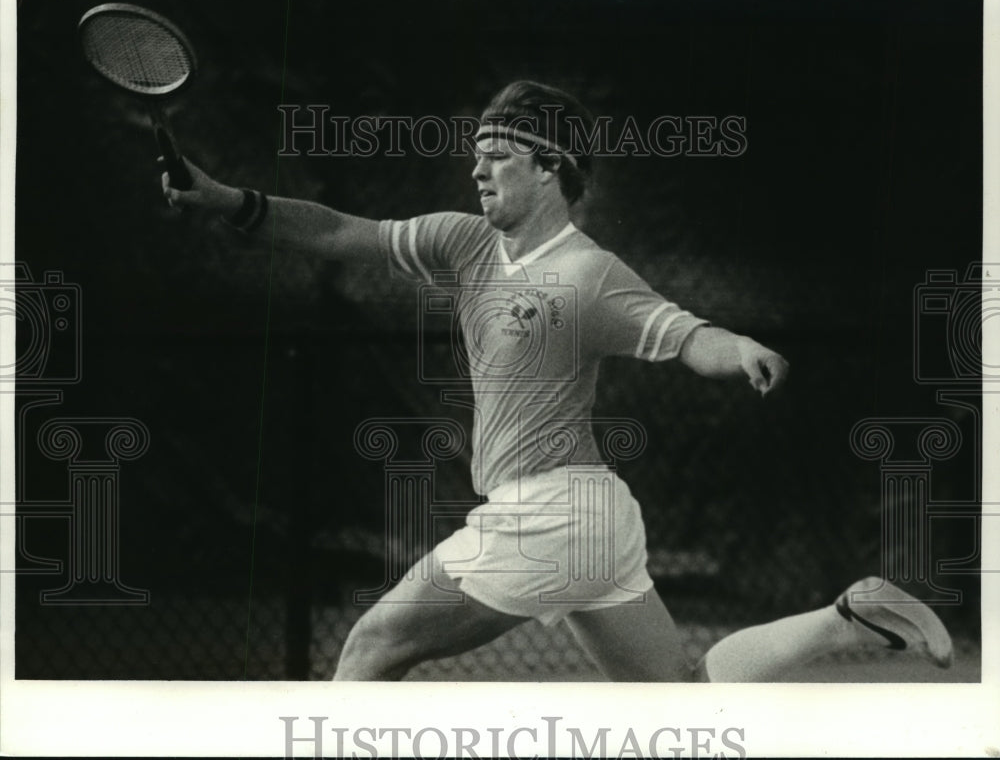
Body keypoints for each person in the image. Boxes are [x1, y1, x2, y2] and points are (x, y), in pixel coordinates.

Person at [162, 80, 954, 681]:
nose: (476, 168)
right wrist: (227, 201)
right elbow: (338, 231)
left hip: (549, 514)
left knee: (371, 645)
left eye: (497, 154)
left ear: (550, 169)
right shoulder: (463, 242)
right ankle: (848, 619)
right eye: (476, 152)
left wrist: (738, 345)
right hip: (590, 519)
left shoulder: (588, 274)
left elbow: (684, 336)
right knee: (679, 698)